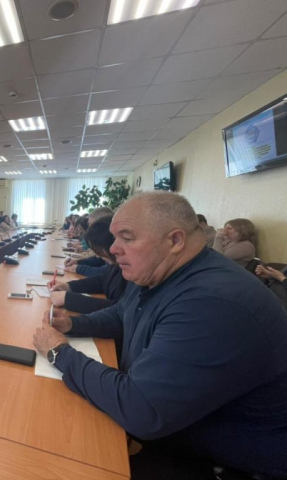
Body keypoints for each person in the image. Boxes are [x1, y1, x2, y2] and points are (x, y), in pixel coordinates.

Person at [33, 192, 287, 479]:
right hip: (176, 427)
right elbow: (121, 314)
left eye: (127, 237)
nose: (113, 249)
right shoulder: (157, 271)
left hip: (224, 461)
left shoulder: (212, 301)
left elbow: (140, 410)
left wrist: (59, 352)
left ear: (175, 240)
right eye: (114, 238)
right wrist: (73, 324)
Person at [49, 217, 127, 314]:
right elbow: (102, 281)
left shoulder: (129, 272)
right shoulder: (115, 266)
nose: (98, 255)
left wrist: (68, 299)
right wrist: (68, 286)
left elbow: (120, 311)